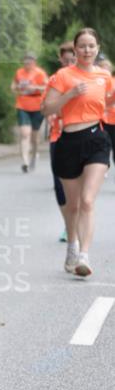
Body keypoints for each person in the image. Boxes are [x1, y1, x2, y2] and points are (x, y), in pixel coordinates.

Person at [42, 28, 114, 278]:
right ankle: (72, 245)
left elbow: (108, 101)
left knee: (87, 201)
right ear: (75, 49)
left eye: (91, 46)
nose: (87, 50)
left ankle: (84, 255)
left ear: (97, 48)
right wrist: (70, 94)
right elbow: (46, 108)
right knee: (72, 206)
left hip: (97, 139)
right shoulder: (63, 76)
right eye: (82, 46)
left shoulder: (104, 76)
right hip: (68, 141)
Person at [44, 42, 76, 242]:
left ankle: (77, 228)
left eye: (73, 60)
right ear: (60, 61)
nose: (69, 64)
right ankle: (68, 226)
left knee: (79, 189)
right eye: (66, 61)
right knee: (60, 186)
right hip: (58, 136)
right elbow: (46, 107)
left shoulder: (90, 78)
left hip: (83, 138)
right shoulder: (54, 81)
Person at [11, 53, 48, 172]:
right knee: (25, 133)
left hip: (37, 106)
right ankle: (25, 162)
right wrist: (15, 89)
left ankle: (33, 156)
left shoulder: (40, 73)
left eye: (30, 61)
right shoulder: (19, 72)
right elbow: (13, 85)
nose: (27, 63)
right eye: (25, 61)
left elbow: (47, 87)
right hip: (22, 105)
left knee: (34, 137)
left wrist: (36, 88)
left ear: (34, 62)